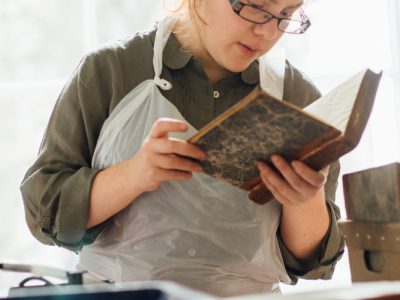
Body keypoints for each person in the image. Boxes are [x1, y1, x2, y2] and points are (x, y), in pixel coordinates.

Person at [21, 0, 344, 297]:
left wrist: (305, 201)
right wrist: (134, 175)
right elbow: (47, 214)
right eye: (254, 6)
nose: (267, 31)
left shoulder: (299, 99)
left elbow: (310, 261)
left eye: (286, 14)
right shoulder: (110, 71)